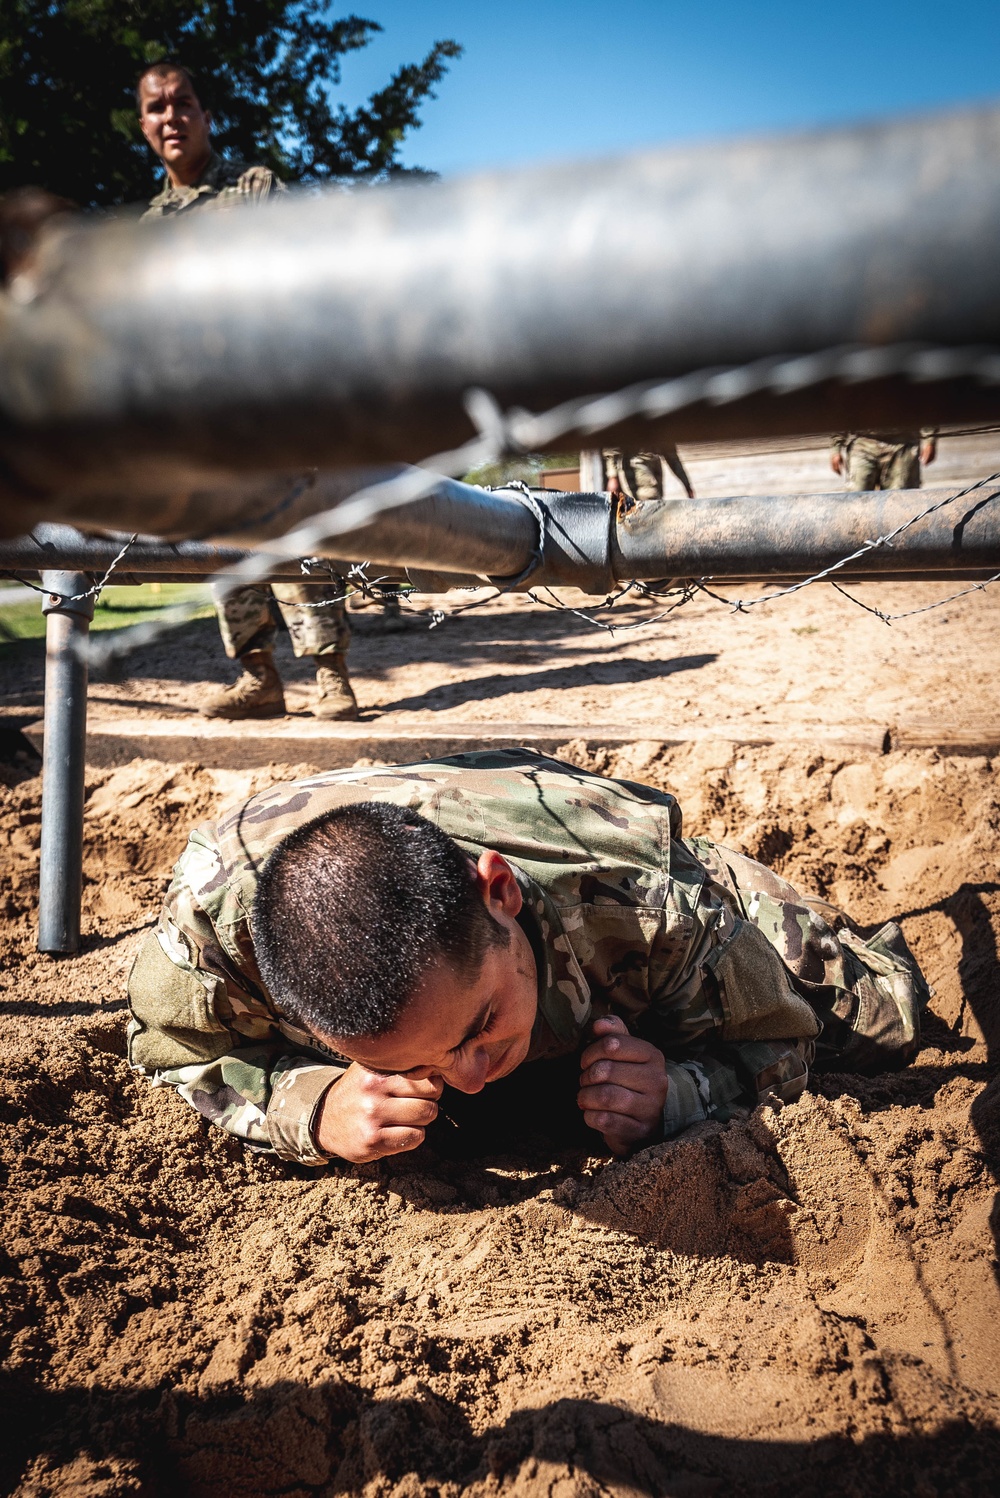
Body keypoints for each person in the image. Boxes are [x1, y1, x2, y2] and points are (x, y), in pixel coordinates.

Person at [127, 750, 928, 1168]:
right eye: (423, 1067)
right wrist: (310, 1107)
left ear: (499, 894)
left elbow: (784, 1042)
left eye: (480, 1026)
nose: (470, 1078)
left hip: (613, 887)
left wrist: (679, 1093)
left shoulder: (645, 903)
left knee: (879, 1022)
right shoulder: (214, 930)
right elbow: (167, 1049)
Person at [137, 60, 358, 720]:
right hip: (201, 411)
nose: (171, 116)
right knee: (226, 539)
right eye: (157, 107)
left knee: (299, 528)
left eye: (184, 102)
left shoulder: (255, 187)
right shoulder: (146, 228)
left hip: (270, 395)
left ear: (206, 115)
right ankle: (258, 676)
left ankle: (330, 673)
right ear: (143, 125)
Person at [830, 429, 938, 492]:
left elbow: (924, 397)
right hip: (863, 442)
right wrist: (836, 448)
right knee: (856, 500)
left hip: (903, 442)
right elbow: (843, 404)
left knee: (901, 502)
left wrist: (930, 438)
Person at [601, 447, 695, 503]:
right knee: (648, 505)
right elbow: (612, 446)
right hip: (636, 463)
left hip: (654, 462)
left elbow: (670, 454)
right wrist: (612, 475)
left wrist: (686, 483)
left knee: (654, 506)